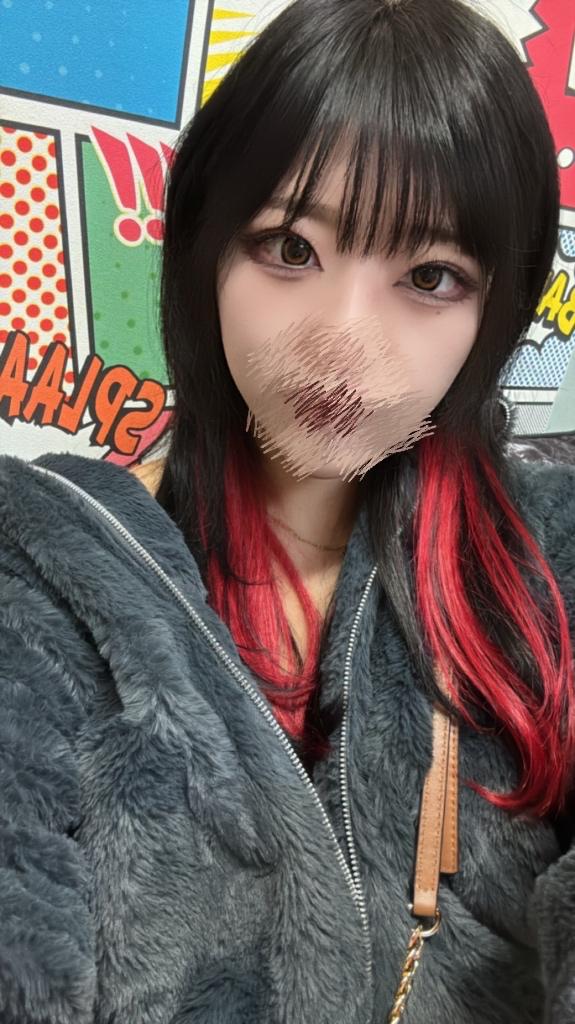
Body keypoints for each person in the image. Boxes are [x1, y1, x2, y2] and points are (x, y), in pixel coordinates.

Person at [1, 0, 574, 1021]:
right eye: (289, 247)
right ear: (205, 247)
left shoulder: (550, 555)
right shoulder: (42, 571)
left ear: (493, 311)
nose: (342, 341)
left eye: (428, 275)